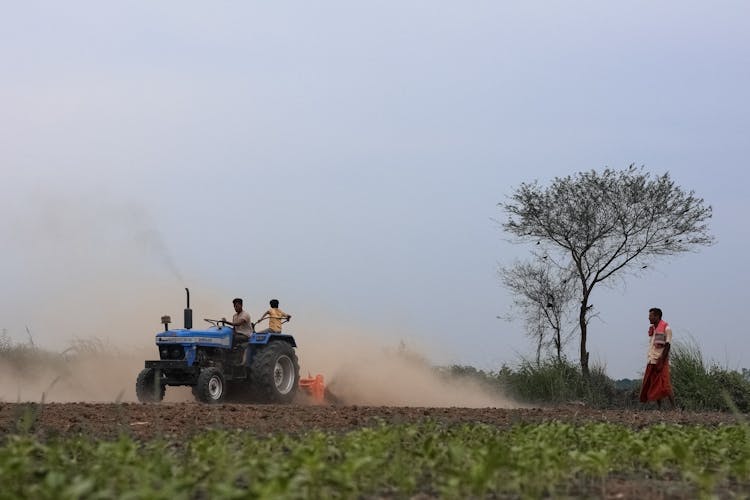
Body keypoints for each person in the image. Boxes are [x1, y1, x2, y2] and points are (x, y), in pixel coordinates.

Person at [639, 307, 676, 409]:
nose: (649, 318)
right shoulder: (653, 329)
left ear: (657, 316)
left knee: (666, 384)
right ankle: (659, 408)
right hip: (652, 359)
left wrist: (662, 360)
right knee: (654, 384)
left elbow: (668, 345)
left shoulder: (666, 328)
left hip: (661, 360)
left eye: (651, 316)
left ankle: (674, 408)